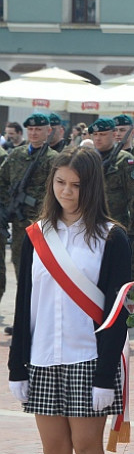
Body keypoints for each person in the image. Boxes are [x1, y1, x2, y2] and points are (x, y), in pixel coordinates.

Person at [8, 146, 131, 454]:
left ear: (92, 187)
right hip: (43, 356)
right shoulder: (36, 235)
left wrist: (104, 375)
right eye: (60, 183)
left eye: (76, 185)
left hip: (88, 357)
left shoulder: (111, 237)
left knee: (86, 448)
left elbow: (118, 313)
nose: (67, 192)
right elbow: (25, 303)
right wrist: (16, 365)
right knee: (53, 449)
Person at [0, 113, 58, 319]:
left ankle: (41, 317)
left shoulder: (54, 159)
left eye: (38, 129)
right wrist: (6, 207)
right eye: (30, 130)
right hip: (18, 225)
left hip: (43, 227)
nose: (33, 133)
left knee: (43, 273)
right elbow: (2, 181)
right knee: (20, 270)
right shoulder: (16, 155)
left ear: (48, 131)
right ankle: (23, 317)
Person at [88, 118, 134, 280]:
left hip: (119, 227)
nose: (98, 138)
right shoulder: (88, 159)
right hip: (92, 226)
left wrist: (132, 231)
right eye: (95, 134)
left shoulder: (125, 161)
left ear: (113, 134)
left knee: (124, 275)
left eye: (103, 134)